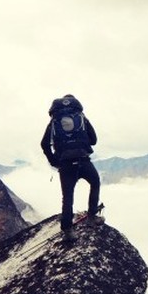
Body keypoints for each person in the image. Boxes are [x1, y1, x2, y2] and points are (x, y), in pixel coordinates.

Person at [40, 94, 101, 241]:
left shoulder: (55, 121)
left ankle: (68, 231)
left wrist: (54, 161)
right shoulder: (81, 117)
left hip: (66, 165)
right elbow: (93, 140)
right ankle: (92, 217)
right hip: (84, 161)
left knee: (67, 198)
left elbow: (44, 144)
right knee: (95, 183)